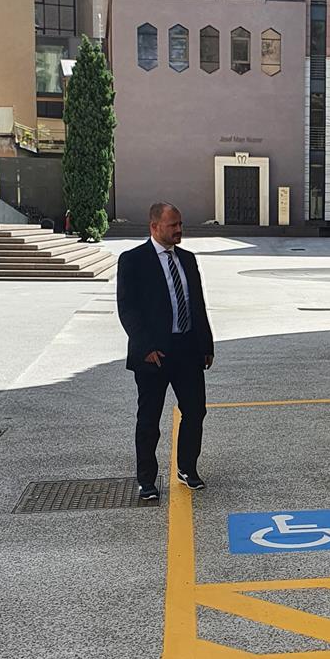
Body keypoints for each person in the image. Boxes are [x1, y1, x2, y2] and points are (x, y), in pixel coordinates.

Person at [117, 202, 214, 500]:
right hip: (154, 354)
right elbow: (127, 308)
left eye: (180, 224)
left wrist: (206, 345)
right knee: (149, 420)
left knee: (195, 411)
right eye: (173, 225)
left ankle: (187, 468)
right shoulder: (133, 260)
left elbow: (197, 305)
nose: (179, 230)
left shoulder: (187, 259)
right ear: (155, 226)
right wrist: (145, 347)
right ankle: (146, 479)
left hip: (187, 350)